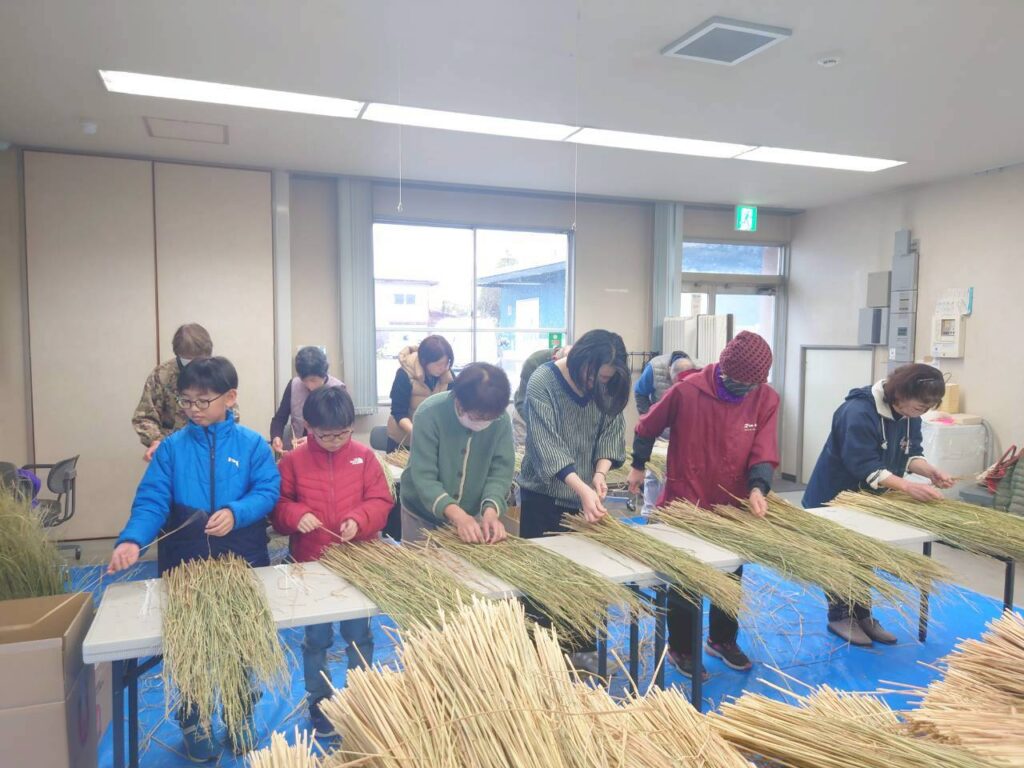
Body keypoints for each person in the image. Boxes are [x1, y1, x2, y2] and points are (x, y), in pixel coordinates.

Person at [108, 357, 280, 761]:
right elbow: (152, 501)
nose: (193, 410)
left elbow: (268, 491)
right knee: (191, 645)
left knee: (241, 640)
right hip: (186, 563)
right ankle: (194, 719)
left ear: (230, 397)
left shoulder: (253, 445)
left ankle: (239, 712)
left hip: (241, 559)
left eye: (203, 401)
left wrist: (237, 511)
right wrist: (133, 539)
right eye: (186, 401)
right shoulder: (170, 449)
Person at [628, 331, 779, 679]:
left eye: (752, 384)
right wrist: (637, 465)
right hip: (687, 501)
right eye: (740, 383)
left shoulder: (765, 398)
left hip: (732, 506)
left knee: (731, 575)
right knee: (686, 581)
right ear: (725, 370)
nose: (746, 390)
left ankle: (722, 640)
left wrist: (758, 488)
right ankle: (681, 648)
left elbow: (764, 448)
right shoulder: (687, 391)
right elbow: (647, 426)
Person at [270, 386, 393, 737]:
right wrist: (297, 515)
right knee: (317, 637)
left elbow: (381, 502)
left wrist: (360, 519)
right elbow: (278, 507)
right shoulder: (293, 461)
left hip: (358, 561)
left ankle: (360, 695)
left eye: (343, 433)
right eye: (326, 435)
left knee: (359, 634)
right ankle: (320, 699)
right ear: (308, 427)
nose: (335, 441)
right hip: (312, 564)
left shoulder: (364, 457)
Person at [802, 363, 954, 646]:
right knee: (838, 557)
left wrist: (930, 472)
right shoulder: (857, 412)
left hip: (868, 500)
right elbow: (865, 466)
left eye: (928, 407)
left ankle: (863, 615)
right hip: (834, 498)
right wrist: (908, 487)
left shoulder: (910, 415)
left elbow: (910, 453)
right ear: (900, 394)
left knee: (864, 556)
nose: (923, 412)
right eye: (920, 406)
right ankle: (839, 616)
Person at [518, 329, 630, 674]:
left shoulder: (605, 384)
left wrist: (600, 473)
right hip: (544, 498)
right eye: (596, 375)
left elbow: (611, 429)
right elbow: (545, 443)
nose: (598, 383)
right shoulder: (543, 382)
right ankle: (542, 660)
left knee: (587, 580)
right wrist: (581, 488)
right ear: (582, 359)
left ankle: (582, 655)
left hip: (585, 499)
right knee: (545, 583)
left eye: (607, 379)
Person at [401, 363, 515, 544]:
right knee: (422, 561)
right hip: (422, 515)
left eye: (490, 418)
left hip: (471, 514)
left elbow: (501, 471)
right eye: (479, 417)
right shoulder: (429, 413)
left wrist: (491, 510)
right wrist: (458, 515)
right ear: (459, 403)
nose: (484, 422)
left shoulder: (500, 420)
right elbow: (424, 477)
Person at [132, 323, 239, 462]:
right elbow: (144, 417)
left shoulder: (216, 373)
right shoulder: (162, 375)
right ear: (178, 355)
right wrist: (157, 441)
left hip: (213, 449)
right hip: (174, 452)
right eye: (188, 361)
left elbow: (231, 413)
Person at [633, 351, 698, 515]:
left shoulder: (700, 371)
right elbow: (639, 392)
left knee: (679, 475)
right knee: (655, 474)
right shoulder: (654, 368)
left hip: (684, 435)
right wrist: (650, 417)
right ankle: (650, 514)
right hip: (660, 432)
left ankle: (674, 514)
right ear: (669, 372)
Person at [269, 346, 346, 456]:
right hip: (299, 451)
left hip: (328, 452)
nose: (310, 385)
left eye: (313, 380)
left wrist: (313, 440)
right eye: (304, 380)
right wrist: (276, 437)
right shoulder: (294, 385)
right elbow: (279, 419)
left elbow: (341, 429)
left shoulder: (338, 389)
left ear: (324, 374)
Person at [385, 335, 455, 453]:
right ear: (424, 361)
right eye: (438, 364)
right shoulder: (405, 374)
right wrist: (418, 433)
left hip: (433, 439)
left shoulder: (447, 375)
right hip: (404, 442)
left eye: (446, 363)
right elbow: (398, 412)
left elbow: (455, 404)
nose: (443, 368)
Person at [511, 345, 570, 448]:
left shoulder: (572, 366)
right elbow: (522, 402)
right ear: (554, 360)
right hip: (525, 413)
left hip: (552, 417)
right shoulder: (533, 362)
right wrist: (540, 427)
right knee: (523, 451)